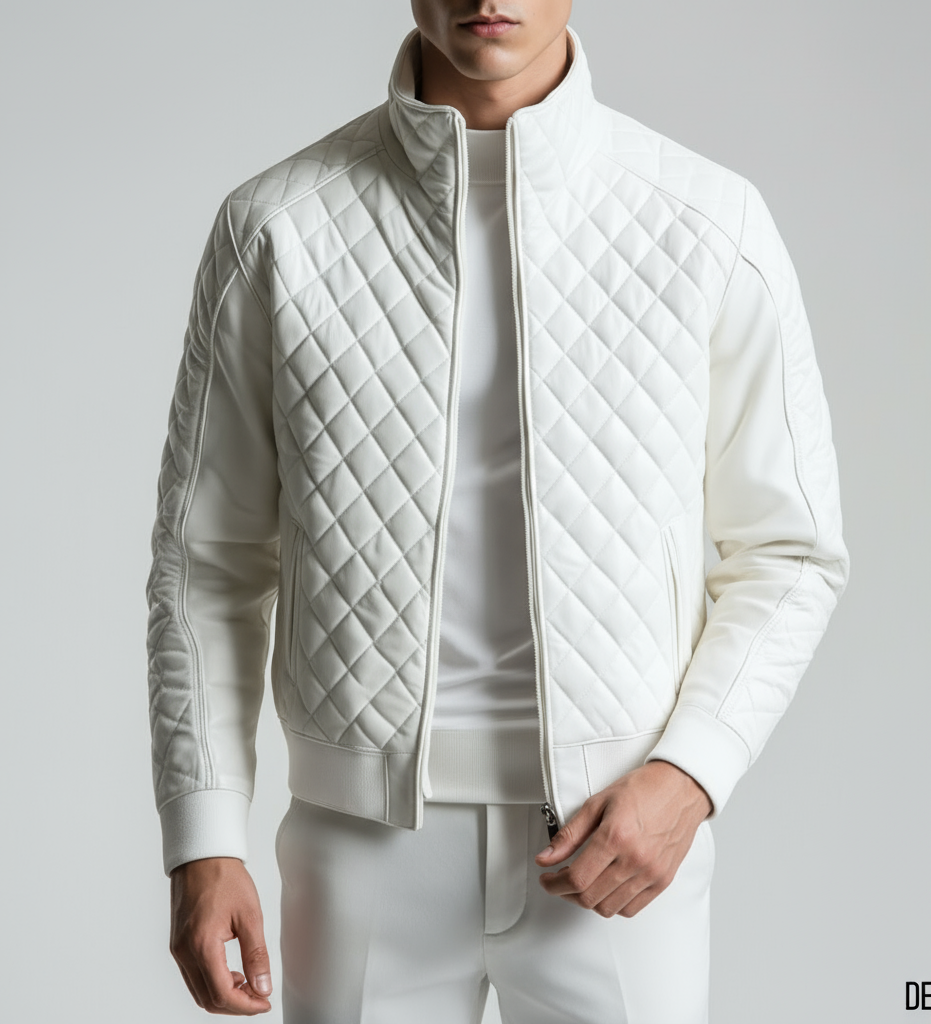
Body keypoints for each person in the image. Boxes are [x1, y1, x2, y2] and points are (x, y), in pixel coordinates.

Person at [146, 2, 849, 1021]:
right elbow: (206, 561)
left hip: (618, 842)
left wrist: (689, 775)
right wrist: (204, 835)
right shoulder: (276, 228)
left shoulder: (707, 222)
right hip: (359, 848)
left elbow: (790, 551)